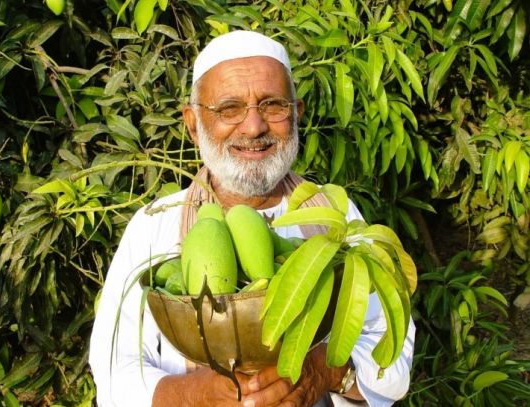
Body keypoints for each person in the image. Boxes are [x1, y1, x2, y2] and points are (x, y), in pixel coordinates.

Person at [89, 30, 416, 407]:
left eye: (273, 105)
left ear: (297, 114)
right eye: (229, 108)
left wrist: (322, 371)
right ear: (193, 124)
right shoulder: (153, 226)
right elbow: (113, 368)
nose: (253, 127)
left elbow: (392, 351)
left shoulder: (335, 219)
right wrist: (197, 394)